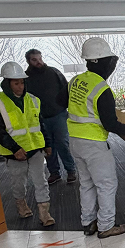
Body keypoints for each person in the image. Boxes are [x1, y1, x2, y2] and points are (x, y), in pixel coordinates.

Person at [57, 37, 125, 239]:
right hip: (94, 143)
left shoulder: (75, 81)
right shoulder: (101, 88)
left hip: (75, 141)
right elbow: (110, 123)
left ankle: (88, 222)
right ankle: (106, 226)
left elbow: (62, 103)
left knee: (86, 183)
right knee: (106, 184)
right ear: (103, 62)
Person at [0, 61, 55, 226]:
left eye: (22, 82)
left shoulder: (34, 100)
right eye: (16, 83)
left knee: (41, 181)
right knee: (19, 183)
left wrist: (47, 143)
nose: (20, 86)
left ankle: (45, 215)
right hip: (14, 153)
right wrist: (15, 149)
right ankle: (22, 207)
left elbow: (41, 124)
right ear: (7, 83)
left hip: (35, 149)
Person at [24, 48, 77, 184]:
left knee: (62, 143)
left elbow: (66, 89)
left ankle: (71, 170)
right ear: (29, 61)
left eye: (40, 58)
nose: (39, 62)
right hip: (39, 118)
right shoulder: (25, 79)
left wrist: (70, 108)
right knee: (47, 146)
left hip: (58, 114)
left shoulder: (54, 72)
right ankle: (54, 173)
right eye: (34, 60)